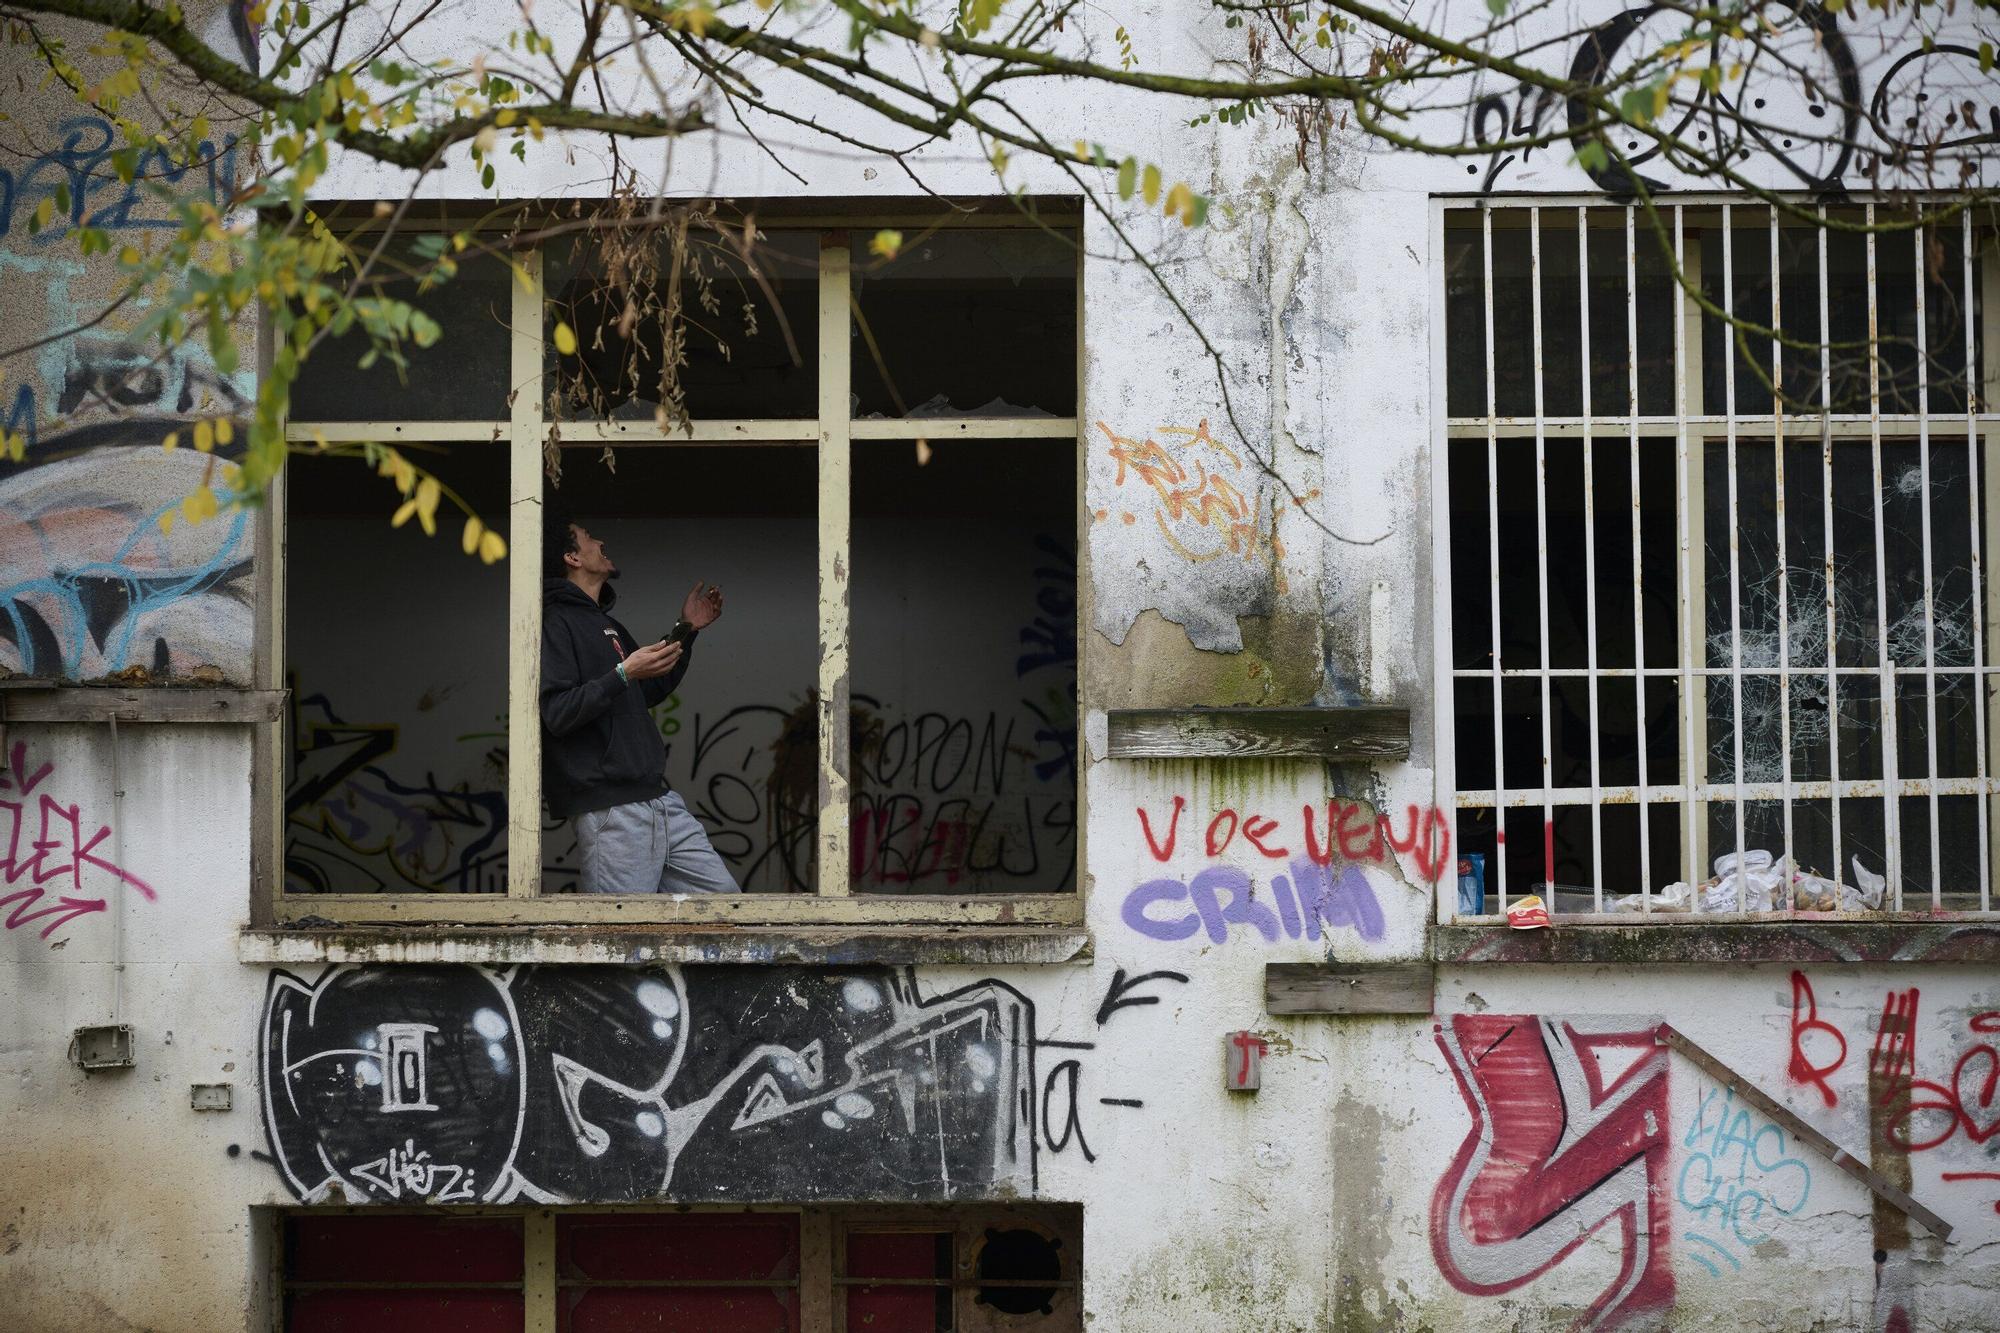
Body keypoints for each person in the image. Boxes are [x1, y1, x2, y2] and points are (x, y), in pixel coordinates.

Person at [541, 516, 739, 894]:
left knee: (723, 903)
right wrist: (623, 673)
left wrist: (686, 629)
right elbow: (558, 712)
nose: (600, 540)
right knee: (619, 937)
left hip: (659, 801)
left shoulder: (605, 623)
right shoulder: (555, 622)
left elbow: (646, 688)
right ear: (572, 557)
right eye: (587, 537)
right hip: (611, 812)